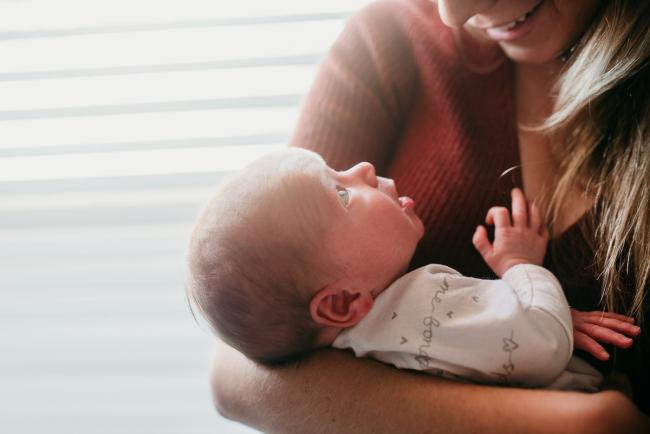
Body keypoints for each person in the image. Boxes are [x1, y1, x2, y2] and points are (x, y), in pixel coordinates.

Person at [210, 0, 650, 431]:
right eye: (343, 192)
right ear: (341, 304)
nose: (451, 14)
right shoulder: (390, 40)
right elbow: (239, 370)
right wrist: (583, 420)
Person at [188, 148, 635, 391]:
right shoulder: (420, 310)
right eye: (341, 194)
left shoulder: (366, 341)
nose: (361, 168)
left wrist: (520, 306)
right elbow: (542, 343)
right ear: (342, 303)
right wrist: (521, 268)